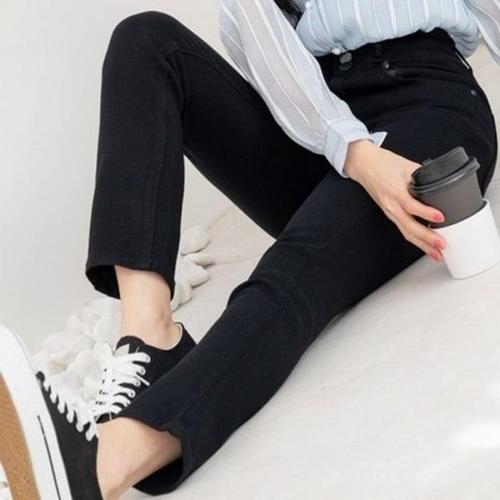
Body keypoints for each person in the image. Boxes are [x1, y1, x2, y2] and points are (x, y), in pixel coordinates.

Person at [0, 1, 499, 499]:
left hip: (426, 111)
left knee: (293, 268)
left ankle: (98, 470)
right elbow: (266, 47)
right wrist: (356, 153)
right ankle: (149, 340)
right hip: (320, 126)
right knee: (145, 40)